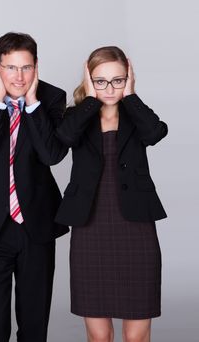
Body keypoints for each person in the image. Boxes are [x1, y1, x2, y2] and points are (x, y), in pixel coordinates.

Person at [0, 32, 69, 342]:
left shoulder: (51, 98)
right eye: (10, 67)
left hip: (36, 221)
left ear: (36, 66)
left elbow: (52, 155)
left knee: (34, 320)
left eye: (26, 67)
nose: (19, 76)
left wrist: (32, 105)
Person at [55, 46, 167, 342]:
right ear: (89, 80)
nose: (109, 87)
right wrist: (91, 99)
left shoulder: (136, 115)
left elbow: (155, 133)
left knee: (135, 337)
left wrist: (130, 96)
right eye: (100, 80)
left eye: (117, 80)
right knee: (100, 335)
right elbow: (64, 137)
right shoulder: (77, 115)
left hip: (136, 228)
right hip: (90, 226)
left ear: (128, 79)